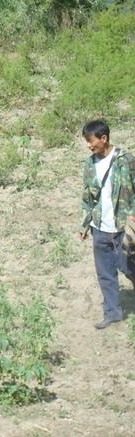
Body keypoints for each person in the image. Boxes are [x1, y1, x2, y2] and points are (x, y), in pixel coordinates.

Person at [79, 120, 135, 329]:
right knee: (105, 273)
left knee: (127, 267)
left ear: (104, 138)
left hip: (123, 226)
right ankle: (112, 313)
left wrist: (133, 217)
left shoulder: (126, 160)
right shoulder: (90, 164)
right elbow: (87, 196)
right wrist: (84, 225)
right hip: (99, 226)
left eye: (90, 140)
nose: (88, 145)